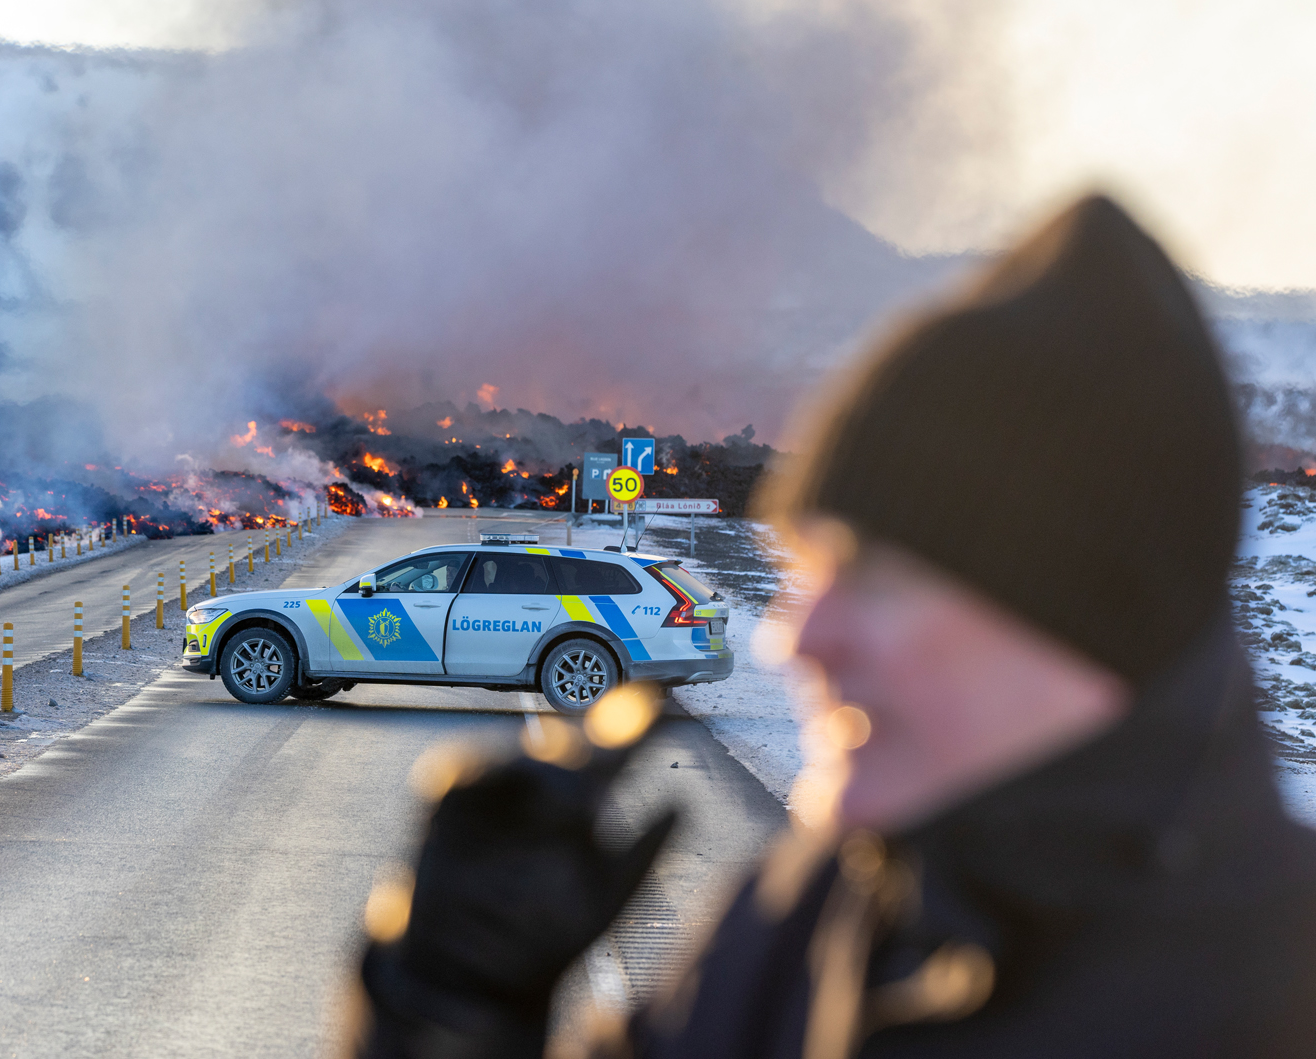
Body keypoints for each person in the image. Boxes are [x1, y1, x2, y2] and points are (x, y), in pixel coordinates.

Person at [340, 196, 1316, 1058]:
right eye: (806, 578)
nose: (794, 642)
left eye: (881, 583)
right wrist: (445, 1016)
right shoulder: (809, 919)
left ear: (1084, 615)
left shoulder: (1275, 993)